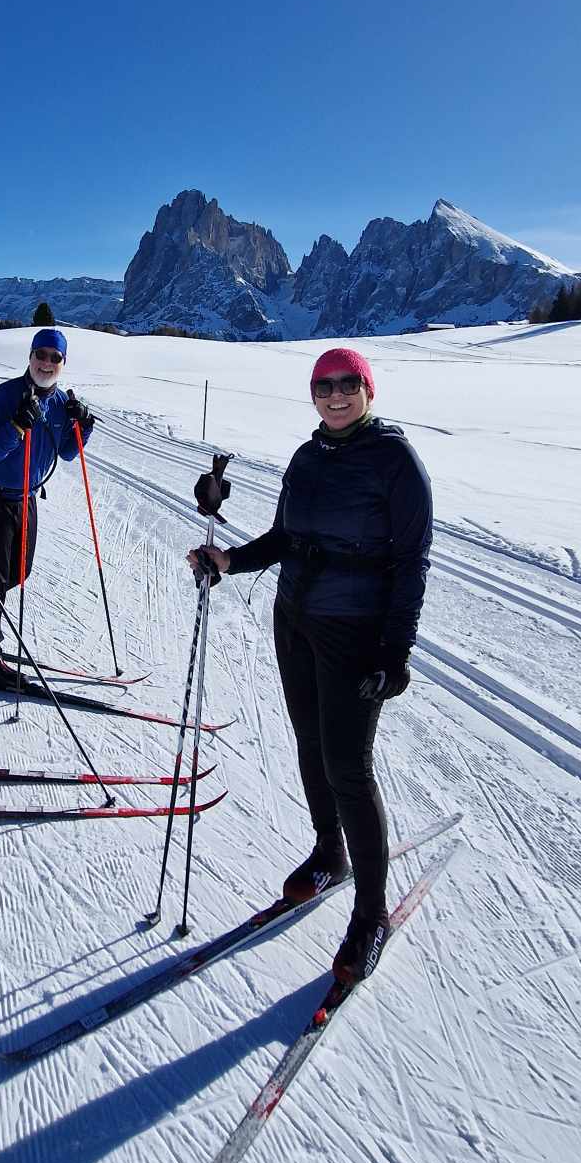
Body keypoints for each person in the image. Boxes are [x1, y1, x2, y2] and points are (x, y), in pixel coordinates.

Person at [188, 347, 432, 986]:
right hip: (294, 618)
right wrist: (230, 561)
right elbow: (284, 540)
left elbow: (411, 565)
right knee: (309, 745)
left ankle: (371, 912)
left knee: (349, 766)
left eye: (349, 384)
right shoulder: (306, 457)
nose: (336, 395)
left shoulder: (396, 461)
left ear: (368, 390)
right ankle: (331, 851)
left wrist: (395, 653)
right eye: (324, 386)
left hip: (354, 631)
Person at [0, 326, 95, 687]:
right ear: (30, 357)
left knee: (17, 574)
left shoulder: (59, 405)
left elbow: (68, 454)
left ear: (63, 363)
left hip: (25, 497)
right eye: (40, 354)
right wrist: (16, 426)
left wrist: (83, 426)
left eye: (54, 358)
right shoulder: (5, 397)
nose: (46, 363)